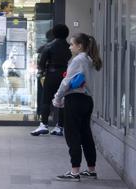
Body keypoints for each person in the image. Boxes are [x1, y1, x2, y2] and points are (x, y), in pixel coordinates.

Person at [52, 33, 102, 181]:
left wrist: (57, 97)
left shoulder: (78, 59)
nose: (69, 46)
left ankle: (75, 172)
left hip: (74, 100)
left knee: (72, 135)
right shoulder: (89, 59)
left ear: (80, 46)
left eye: (72, 44)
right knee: (86, 134)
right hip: (87, 101)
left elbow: (67, 82)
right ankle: (91, 170)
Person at [31, 24, 72, 136]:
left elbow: (41, 63)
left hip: (51, 74)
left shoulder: (48, 46)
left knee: (46, 100)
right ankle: (60, 126)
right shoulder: (69, 46)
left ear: (54, 33)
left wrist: (42, 71)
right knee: (61, 100)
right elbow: (69, 57)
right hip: (64, 74)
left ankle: (44, 125)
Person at [36, 29, 55, 117]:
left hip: (42, 75)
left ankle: (41, 113)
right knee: (48, 97)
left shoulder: (42, 47)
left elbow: (39, 63)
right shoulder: (52, 47)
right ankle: (47, 115)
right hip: (48, 75)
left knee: (42, 96)